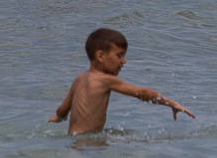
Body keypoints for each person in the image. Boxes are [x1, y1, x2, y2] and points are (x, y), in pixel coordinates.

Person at [48, 28, 194, 135]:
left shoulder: (79, 79)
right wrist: (171, 103)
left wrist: (57, 118)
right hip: (89, 144)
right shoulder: (106, 80)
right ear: (100, 56)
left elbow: (62, 111)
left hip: (74, 142)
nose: (124, 61)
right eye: (119, 55)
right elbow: (143, 93)